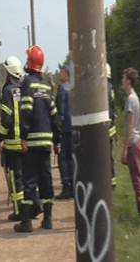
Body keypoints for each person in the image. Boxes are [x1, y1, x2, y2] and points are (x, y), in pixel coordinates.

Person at [14, 46, 62, 233]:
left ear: (30, 63)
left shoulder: (27, 83)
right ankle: (48, 220)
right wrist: (57, 141)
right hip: (46, 141)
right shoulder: (47, 85)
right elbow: (54, 115)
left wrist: (24, 137)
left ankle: (26, 222)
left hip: (32, 141)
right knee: (46, 179)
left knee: (29, 181)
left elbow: (25, 110)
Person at [0, 56, 24, 222]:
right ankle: (27, 207)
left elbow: (6, 119)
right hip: (24, 140)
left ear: (9, 73)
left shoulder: (7, 91)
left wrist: (0, 136)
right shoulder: (22, 88)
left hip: (12, 142)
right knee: (25, 175)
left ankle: (19, 211)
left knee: (14, 177)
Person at [120, 68, 140, 219]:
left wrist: (124, 149)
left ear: (129, 81)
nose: (122, 82)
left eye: (124, 79)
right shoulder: (135, 98)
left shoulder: (131, 99)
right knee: (136, 177)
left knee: (137, 178)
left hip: (133, 143)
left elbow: (129, 126)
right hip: (136, 141)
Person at [55, 66, 74, 200]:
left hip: (64, 129)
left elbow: (60, 111)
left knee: (63, 159)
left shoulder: (63, 89)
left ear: (67, 74)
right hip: (72, 127)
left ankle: (66, 187)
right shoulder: (72, 88)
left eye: (62, 72)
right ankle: (73, 186)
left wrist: (57, 128)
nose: (60, 74)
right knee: (71, 158)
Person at [107, 63, 117, 188]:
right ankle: (112, 180)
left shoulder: (103, 86)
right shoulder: (111, 87)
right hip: (111, 126)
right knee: (109, 156)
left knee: (104, 155)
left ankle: (108, 180)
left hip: (105, 127)